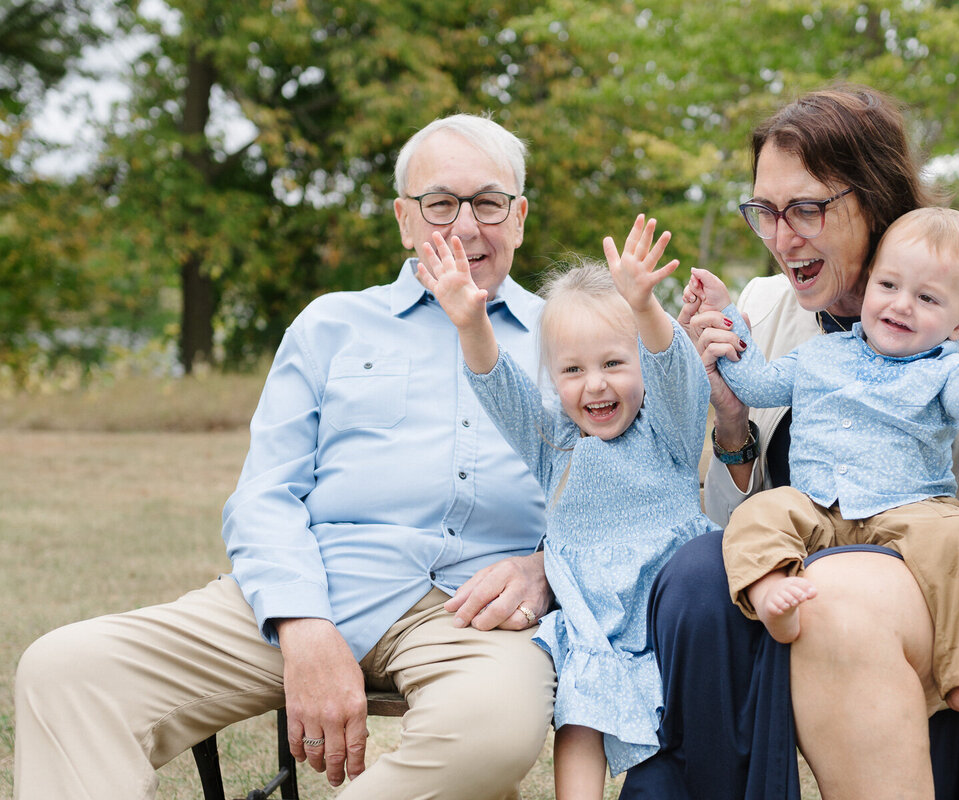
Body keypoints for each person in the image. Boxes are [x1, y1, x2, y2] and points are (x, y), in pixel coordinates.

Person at [14, 113, 558, 800]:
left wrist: (547, 571)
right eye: (441, 204)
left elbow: (623, 495)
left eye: (488, 202)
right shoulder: (332, 324)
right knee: (65, 670)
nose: (467, 226)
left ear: (519, 216)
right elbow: (265, 493)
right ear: (403, 219)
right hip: (313, 586)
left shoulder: (570, 335)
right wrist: (302, 623)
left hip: (475, 613)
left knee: (494, 730)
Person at [619, 86, 959, 800]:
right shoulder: (764, 311)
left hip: (951, 578)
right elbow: (730, 524)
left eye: (805, 209)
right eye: (764, 212)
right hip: (814, 545)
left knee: (832, 596)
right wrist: (731, 423)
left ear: (873, 199)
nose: (781, 239)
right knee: (692, 578)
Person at [692, 206, 959, 738]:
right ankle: (769, 588)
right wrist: (725, 315)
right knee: (759, 512)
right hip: (816, 502)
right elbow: (756, 384)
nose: (901, 305)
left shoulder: (947, 371)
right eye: (888, 285)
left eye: (928, 298)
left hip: (910, 508)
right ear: (867, 288)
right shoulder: (816, 355)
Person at [416, 215, 716, 800]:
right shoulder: (555, 442)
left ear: (642, 369)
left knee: (674, 758)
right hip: (591, 624)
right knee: (579, 718)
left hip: (666, 618)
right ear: (554, 380)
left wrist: (645, 307)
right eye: (573, 370)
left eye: (613, 364)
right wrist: (472, 321)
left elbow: (681, 375)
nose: (595, 386)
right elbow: (496, 383)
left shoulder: (668, 430)